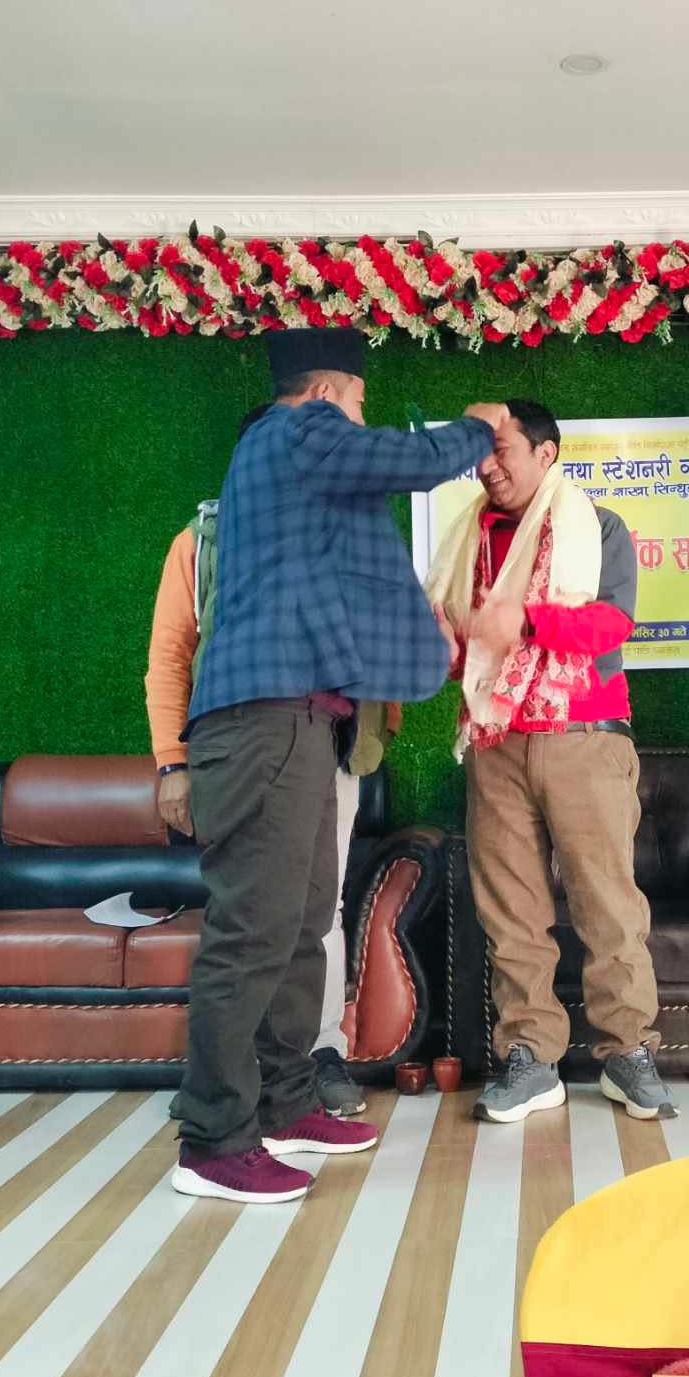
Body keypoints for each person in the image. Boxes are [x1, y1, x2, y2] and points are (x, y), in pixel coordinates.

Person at [171, 325, 506, 1204]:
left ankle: (284, 1104)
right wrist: (479, 429)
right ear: (328, 394)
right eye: (360, 401)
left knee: (301, 920)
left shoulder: (290, 471)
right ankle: (212, 1141)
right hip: (264, 718)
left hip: (300, 720)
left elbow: (344, 585)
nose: (360, 417)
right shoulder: (295, 429)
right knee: (253, 931)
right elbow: (409, 461)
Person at [144, 402, 402, 1119]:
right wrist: (171, 763)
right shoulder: (203, 541)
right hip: (249, 745)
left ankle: (310, 1066)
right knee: (254, 921)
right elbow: (169, 657)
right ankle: (223, 1106)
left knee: (315, 914)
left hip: (332, 747)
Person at [425, 399, 674, 1124]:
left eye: (501, 449)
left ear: (546, 454)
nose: (487, 465)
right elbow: (466, 650)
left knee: (608, 904)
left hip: (584, 736)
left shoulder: (598, 528)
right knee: (511, 912)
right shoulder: (467, 541)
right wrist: (445, 647)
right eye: (480, 452)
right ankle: (530, 1059)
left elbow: (612, 623)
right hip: (495, 741)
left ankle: (628, 1053)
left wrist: (528, 620)